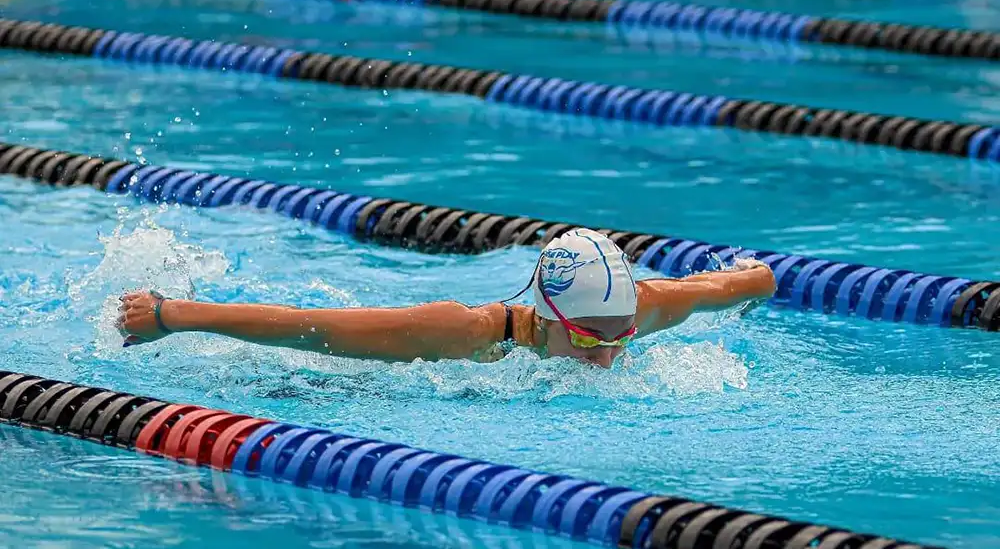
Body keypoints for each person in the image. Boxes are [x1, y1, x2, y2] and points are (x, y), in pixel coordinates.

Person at [117, 229, 776, 369]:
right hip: (359, 383)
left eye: (621, 335)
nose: (607, 353)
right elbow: (309, 327)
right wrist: (173, 314)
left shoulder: (636, 309)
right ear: (549, 314)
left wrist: (757, 278)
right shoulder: (460, 333)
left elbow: (732, 284)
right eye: (588, 337)